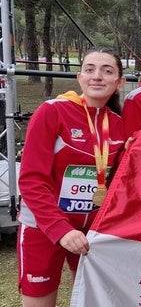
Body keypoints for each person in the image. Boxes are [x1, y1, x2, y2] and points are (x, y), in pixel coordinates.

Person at [17, 48, 126, 307]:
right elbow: (31, 180)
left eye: (107, 71)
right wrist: (59, 228)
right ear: (80, 77)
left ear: (119, 82)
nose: (97, 76)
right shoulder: (52, 112)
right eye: (89, 69)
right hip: (43, 228)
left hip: (92, 234)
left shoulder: (120, 124)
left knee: (94, 300)